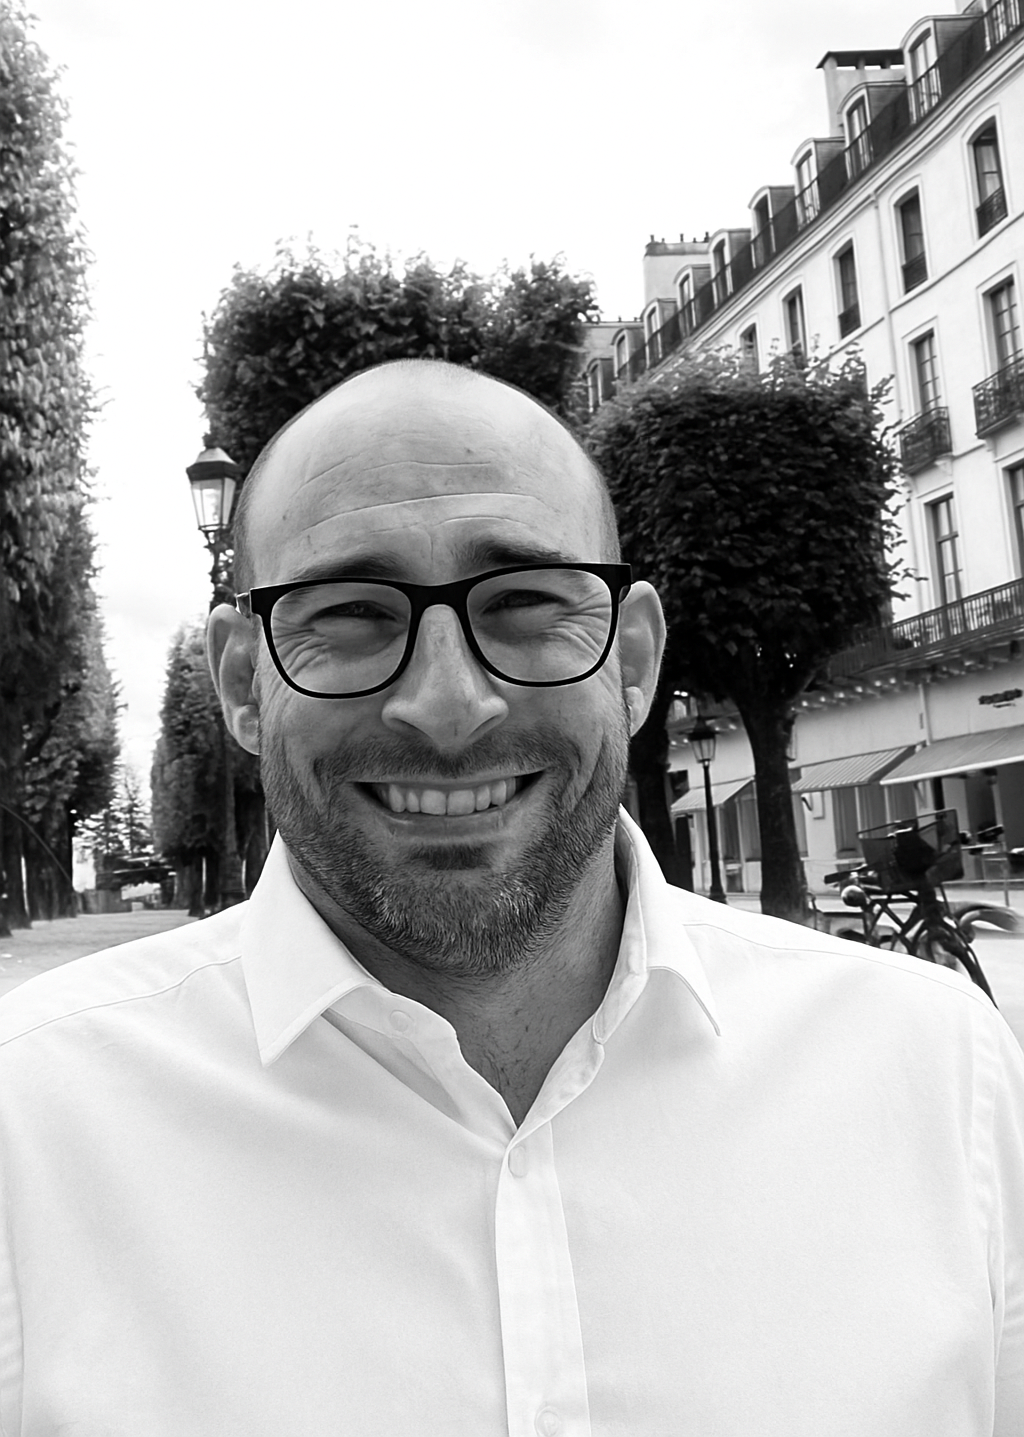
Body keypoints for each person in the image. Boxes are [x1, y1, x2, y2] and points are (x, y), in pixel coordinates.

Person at [0, 359, 1022, 1436]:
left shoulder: (942, 1083)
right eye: (349, 615)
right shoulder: (31, 1131)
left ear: (631, 662)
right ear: (244, 685)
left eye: (527, 602)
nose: (448, 704)